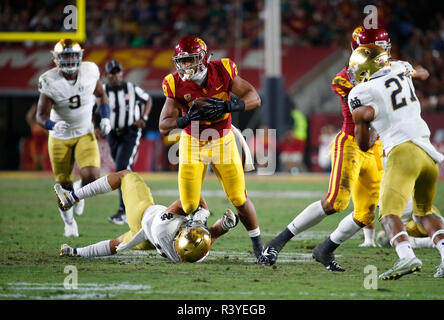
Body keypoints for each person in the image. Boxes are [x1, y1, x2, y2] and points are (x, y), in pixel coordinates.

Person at [258, 26, 429, 270]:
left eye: (383, 49)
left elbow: (420, 72)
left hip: (376, 146)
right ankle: (276, 242)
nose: (383, 54)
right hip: (353, 143)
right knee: (335, 202)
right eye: (376, 49)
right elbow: (363, 125)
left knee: (365, 214)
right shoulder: (347, 79)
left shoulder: (392, 67)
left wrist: (412, 71)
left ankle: (325, 250)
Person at [158, 36, 264, 258]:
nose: (186, 65)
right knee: (188, 205)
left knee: (239, 198)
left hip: (222, 139)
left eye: (191, 60)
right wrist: (184, 120)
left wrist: (229, 105)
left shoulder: (223, 70)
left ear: (204, 58)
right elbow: (163, 125)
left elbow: (254, 98)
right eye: (182, 61)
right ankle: (198, 231)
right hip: (192, 142)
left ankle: (258, 244)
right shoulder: (175, 82)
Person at [348, 44, 444, 279]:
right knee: (423, 214)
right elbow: (422, 73)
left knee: (388, 214)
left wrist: (366, 121)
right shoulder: (399, 68)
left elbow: (363, 145)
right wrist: (414, 73)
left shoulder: (360, 93)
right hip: (428, 153)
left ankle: (406, 257)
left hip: (403, 152)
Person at [55, 170, 239, 262]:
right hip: (148, 242)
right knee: (117, 243)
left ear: (183, 234)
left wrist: (202, 213)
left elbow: (190, 196)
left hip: (143, 216)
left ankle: (71, 197)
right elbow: (208, 237)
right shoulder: (192, 255)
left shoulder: (165, 225)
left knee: (126, 175)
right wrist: (224, 225)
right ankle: (74, 253)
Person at [36, 39, 111, 237]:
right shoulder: (49, 80)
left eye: (72, 56)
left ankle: (80, 192)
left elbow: (101, 95)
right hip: (59, 137)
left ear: (80, 57)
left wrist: (105, 117)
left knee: (93, 177)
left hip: (84, 132)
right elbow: (40, 115)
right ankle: (69, 223)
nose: (69, 60)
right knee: (64, 187)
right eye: (65, 56)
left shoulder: (90, 71)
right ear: (56, 59)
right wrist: (52, 125)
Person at [102, 60, 153, 225]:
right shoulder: (102, 90)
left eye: (118, 72)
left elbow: (148, 99)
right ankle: (130, 207)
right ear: (107, 75)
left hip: (130, 132)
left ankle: (124, 211)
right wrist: (96, 125)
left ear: (121, 73)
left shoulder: (131, 88)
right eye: (112, 73)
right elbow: (95, 108)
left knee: (122, 169)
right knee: (122, 170)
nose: (115, 76)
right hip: (112, 134)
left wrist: (143, 118)